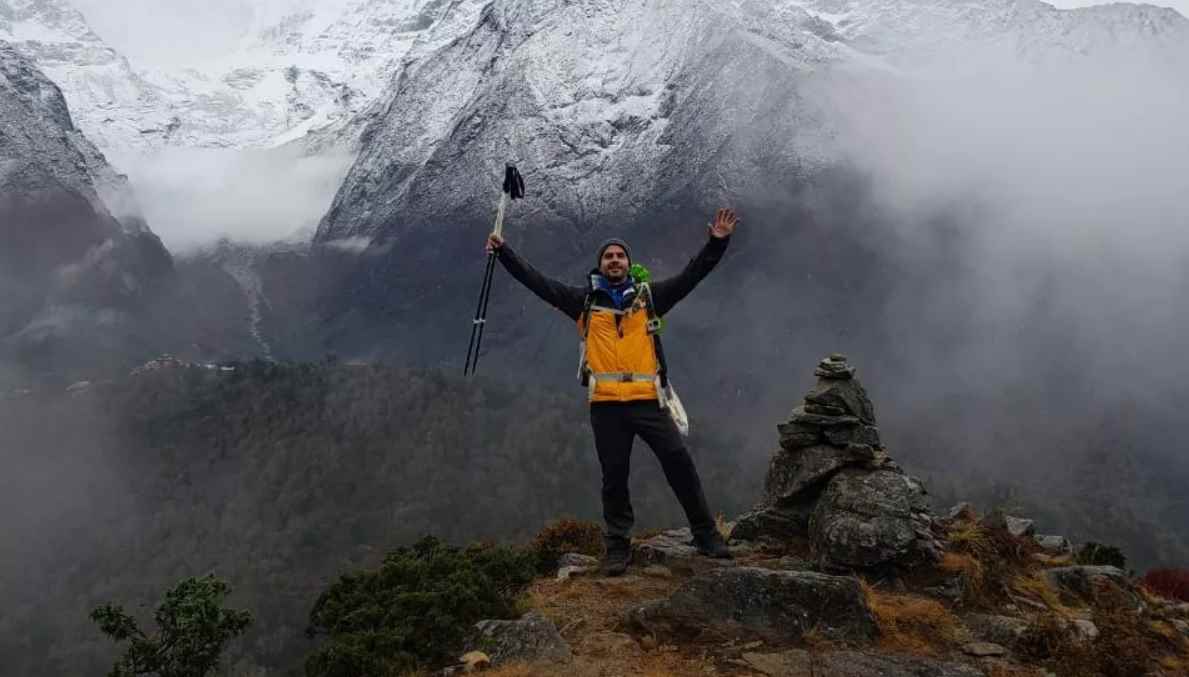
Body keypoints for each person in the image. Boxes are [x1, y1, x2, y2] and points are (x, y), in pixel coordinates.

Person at [485, 208, 739, 575]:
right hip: (606, 407)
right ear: (600, 265)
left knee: (679, 463)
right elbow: (538, 283)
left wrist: (717, 242)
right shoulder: (584, 302)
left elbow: (692, 275)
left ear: (628, 263)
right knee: (614, 477)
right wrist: (504, 252)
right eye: (609, 256)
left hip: (648, 402)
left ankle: (706, 534)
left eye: (620, 256)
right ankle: (618, 548)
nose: (615, 260)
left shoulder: (650, 298)